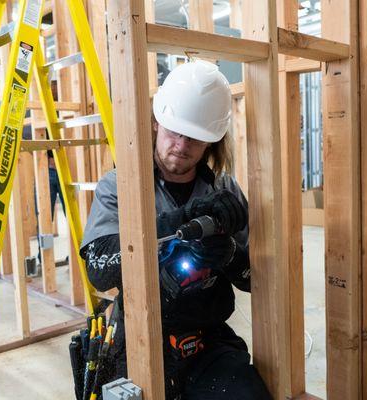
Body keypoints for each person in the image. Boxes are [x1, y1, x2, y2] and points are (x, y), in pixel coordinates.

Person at [79, 60, 271, 399]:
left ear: (212, 140)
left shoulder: (223, 192)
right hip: (140, 336)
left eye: (195, 138)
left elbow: (253, 279)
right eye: (175, 132)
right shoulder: (119, 186)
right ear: (157, 122)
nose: (182, 146)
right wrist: (179, 224)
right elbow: (99, 270)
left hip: (207, 338)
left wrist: (228, 254)